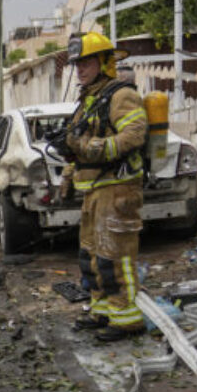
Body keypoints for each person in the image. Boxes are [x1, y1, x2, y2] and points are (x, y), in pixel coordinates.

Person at [64, 32, 148, 341]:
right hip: (95, 190)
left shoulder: (120, 95)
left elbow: (134, 135)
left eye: (85, 62)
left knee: (115, 257)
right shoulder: (88, 99)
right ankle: (103, 311)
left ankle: (127, 319)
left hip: (119, 189)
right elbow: (75, 143)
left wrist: (95, 148)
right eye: (77, 63)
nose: (80, 69)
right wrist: (68, 173)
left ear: (104, 62)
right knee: (92, 256)